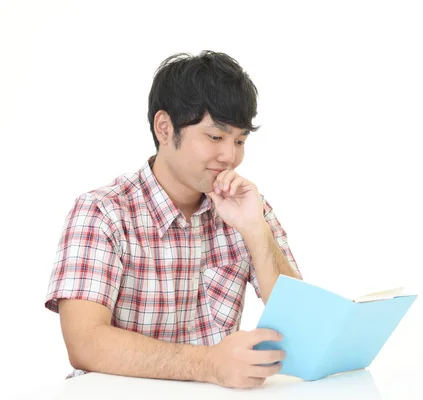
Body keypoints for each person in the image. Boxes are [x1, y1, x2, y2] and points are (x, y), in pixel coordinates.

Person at [44, 50, 302, 389]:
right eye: (215, 137)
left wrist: (256, 231)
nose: (231, 156)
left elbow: (303, 320)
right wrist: (210, 364)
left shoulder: (247, 207)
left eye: (240, 141)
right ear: (164, 128)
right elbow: (85, 343)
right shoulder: (102, 212)